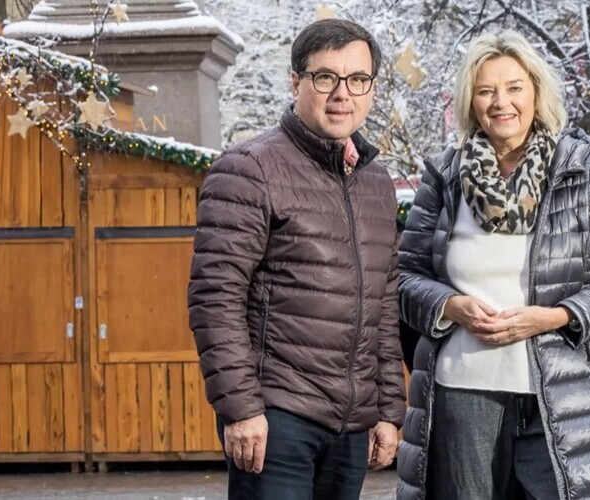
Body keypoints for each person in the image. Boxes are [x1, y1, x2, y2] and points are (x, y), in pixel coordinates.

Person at [396, 31, 590, 500]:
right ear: (470, 101)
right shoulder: (444, 176)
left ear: (536, 92)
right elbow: (404, 279)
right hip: (464, 390)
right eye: (486, 90)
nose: (501, 102)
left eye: (514, 87)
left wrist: (556, 317)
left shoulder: (582, 170)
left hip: (565, 389)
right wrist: (451, 306)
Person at [187, 18, 405, 500]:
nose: (341, 94)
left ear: (371, 88)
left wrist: (389, 409)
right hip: (277, 420)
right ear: (296, 82)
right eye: (325, 77)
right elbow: (214, 298)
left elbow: (384, 305)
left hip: (350, 428)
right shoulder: (250, 169)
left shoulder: (376, 184)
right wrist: (241, 410)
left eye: (357, 80)